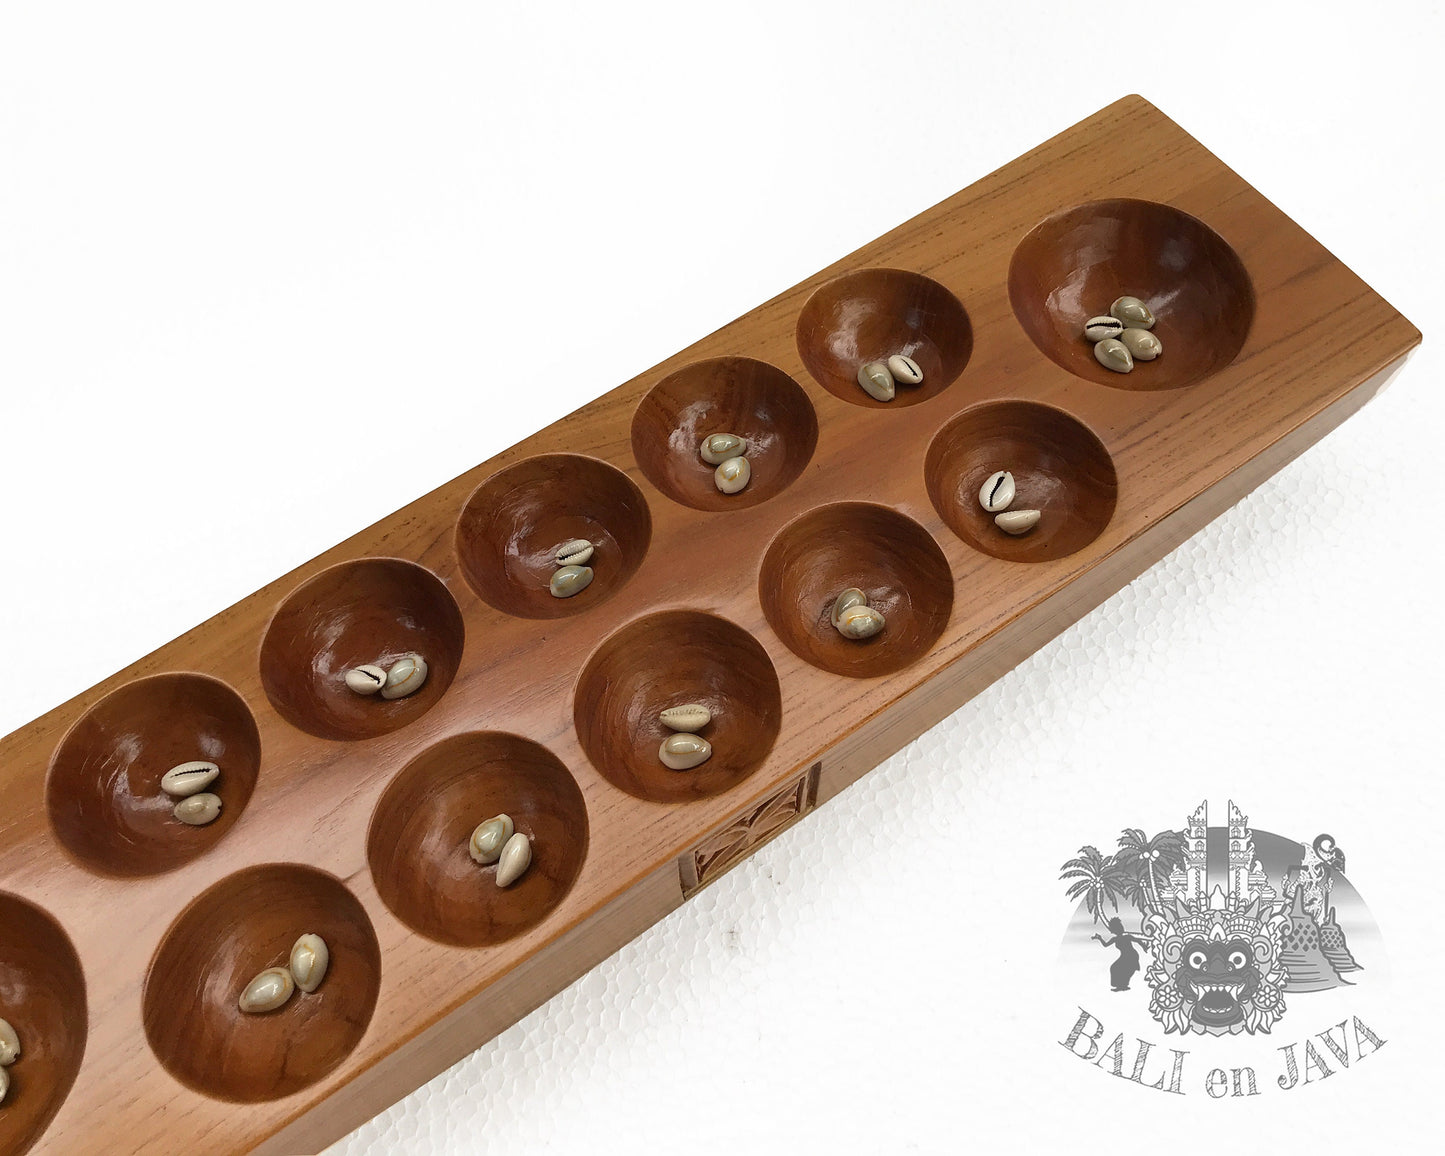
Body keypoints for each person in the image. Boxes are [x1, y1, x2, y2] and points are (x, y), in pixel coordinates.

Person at [1091, 917, 1148, 992]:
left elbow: (1138, 940)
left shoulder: (1127, 937)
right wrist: (1099, 938)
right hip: (1124, 956)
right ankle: (1121, 985)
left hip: (1131, 955)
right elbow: (1105, 945)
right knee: (1115, 968)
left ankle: (1123, 985)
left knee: (1121, 968)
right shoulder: (1115, 939)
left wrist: (1144, 947)